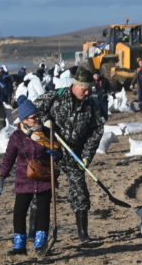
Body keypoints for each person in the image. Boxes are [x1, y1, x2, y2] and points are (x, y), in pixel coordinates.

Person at [33, 68, 106, 242]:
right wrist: (44, 120)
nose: (87, 92)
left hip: (74, 155)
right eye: (84, 89)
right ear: (75, 85)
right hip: (52, 151)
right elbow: (33, 109)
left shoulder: (92, 106)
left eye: (90, 89)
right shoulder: (56, 96)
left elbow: (96, 132)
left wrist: (87, 156)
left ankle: (83, 233)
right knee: (41, 191)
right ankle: (34, 231)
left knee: (80, 191)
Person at [0, 100, 60, 255]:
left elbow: (59, 152)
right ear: (23, 120)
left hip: (44, 177)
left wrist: (56, 154)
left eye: (37, 116)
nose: (37, 119)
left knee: (43, 212)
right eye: (32, 117)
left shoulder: (46, 133)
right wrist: (2, 176)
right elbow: (8, 158)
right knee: (19, 212)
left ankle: (40, 245)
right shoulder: (17, 137)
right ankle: (19, 246)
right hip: (24, 179)